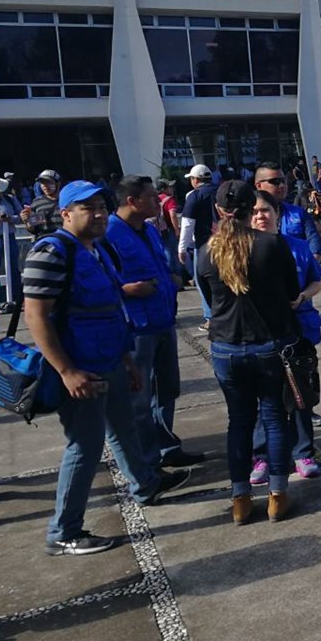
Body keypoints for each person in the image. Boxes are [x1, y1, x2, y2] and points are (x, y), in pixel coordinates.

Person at [23, 181, 190, 555]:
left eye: (101, 206)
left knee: (123, 426)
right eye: (87, 208)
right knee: (84, 446)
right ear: (65, 213)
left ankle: (145, 484)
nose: (99, 213)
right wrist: (67, 371)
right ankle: (64, 531)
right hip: (81, 368)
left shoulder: (99, 251)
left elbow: (111, 310)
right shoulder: (51, 252)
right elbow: (37, 317)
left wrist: (127, 360)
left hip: (111, 358)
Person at [197, 180, 302, 525]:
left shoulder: (206, 251)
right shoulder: (271, 245)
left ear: (218, 210)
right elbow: (291, 291)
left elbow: (210, 301)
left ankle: (240, 497)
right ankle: (277, 494)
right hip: (267, 345)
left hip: (226, 346)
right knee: (273, 418)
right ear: (249, 209)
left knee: (238, 422)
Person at [103, 176, 203, 469]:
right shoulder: (108, 234)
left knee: (167, 388)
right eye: (150, 197)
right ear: (132, 201)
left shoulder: (147, 230)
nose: (158, 202)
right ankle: (147, 460)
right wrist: (125, 290)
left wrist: (172, 279)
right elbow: (97, 279)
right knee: (139, 397)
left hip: (163, 320)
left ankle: (166, 446)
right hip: (136, 328)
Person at [250, 190, 321, 480]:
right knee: (264, 398)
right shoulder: (241, 249)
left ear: (277, 215)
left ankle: (304, 453)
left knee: (299, 394)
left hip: (298, 332)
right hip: (259, 335)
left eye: (266, 211)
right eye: (255, 211)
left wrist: (303, 296)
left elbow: (315, 280)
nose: (260, 216)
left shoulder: (296, 246)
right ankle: (262, 457)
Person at [255, 162, 321, 267]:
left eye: (284, 181)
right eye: (275, 182)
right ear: (259, 185)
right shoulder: (249, 217)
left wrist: (307, 270)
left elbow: (315, 245)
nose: (282, 185)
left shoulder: (299, 213)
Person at [178, 163, 217, 330]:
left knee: (203, 282)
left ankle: (210, 318)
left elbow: (187, 224)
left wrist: (182, 248)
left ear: (195, 180)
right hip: (227, 243)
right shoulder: (220, 191)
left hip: (203, 245)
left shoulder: (194, 196)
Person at [0, 173, 23, 306]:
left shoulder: (10, 199)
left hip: (9, 236)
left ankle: (17, 297)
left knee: (13, 267)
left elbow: (20, 216)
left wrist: (10, 218)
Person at [22, 169, 62, 239]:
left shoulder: (67, 200)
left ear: (58, 183)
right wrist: (27, 221)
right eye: (42, 183)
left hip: (65, 242)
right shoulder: (37, 202)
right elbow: (34, 230)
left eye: (49, 182)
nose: (45, 186)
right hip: (45, 242)